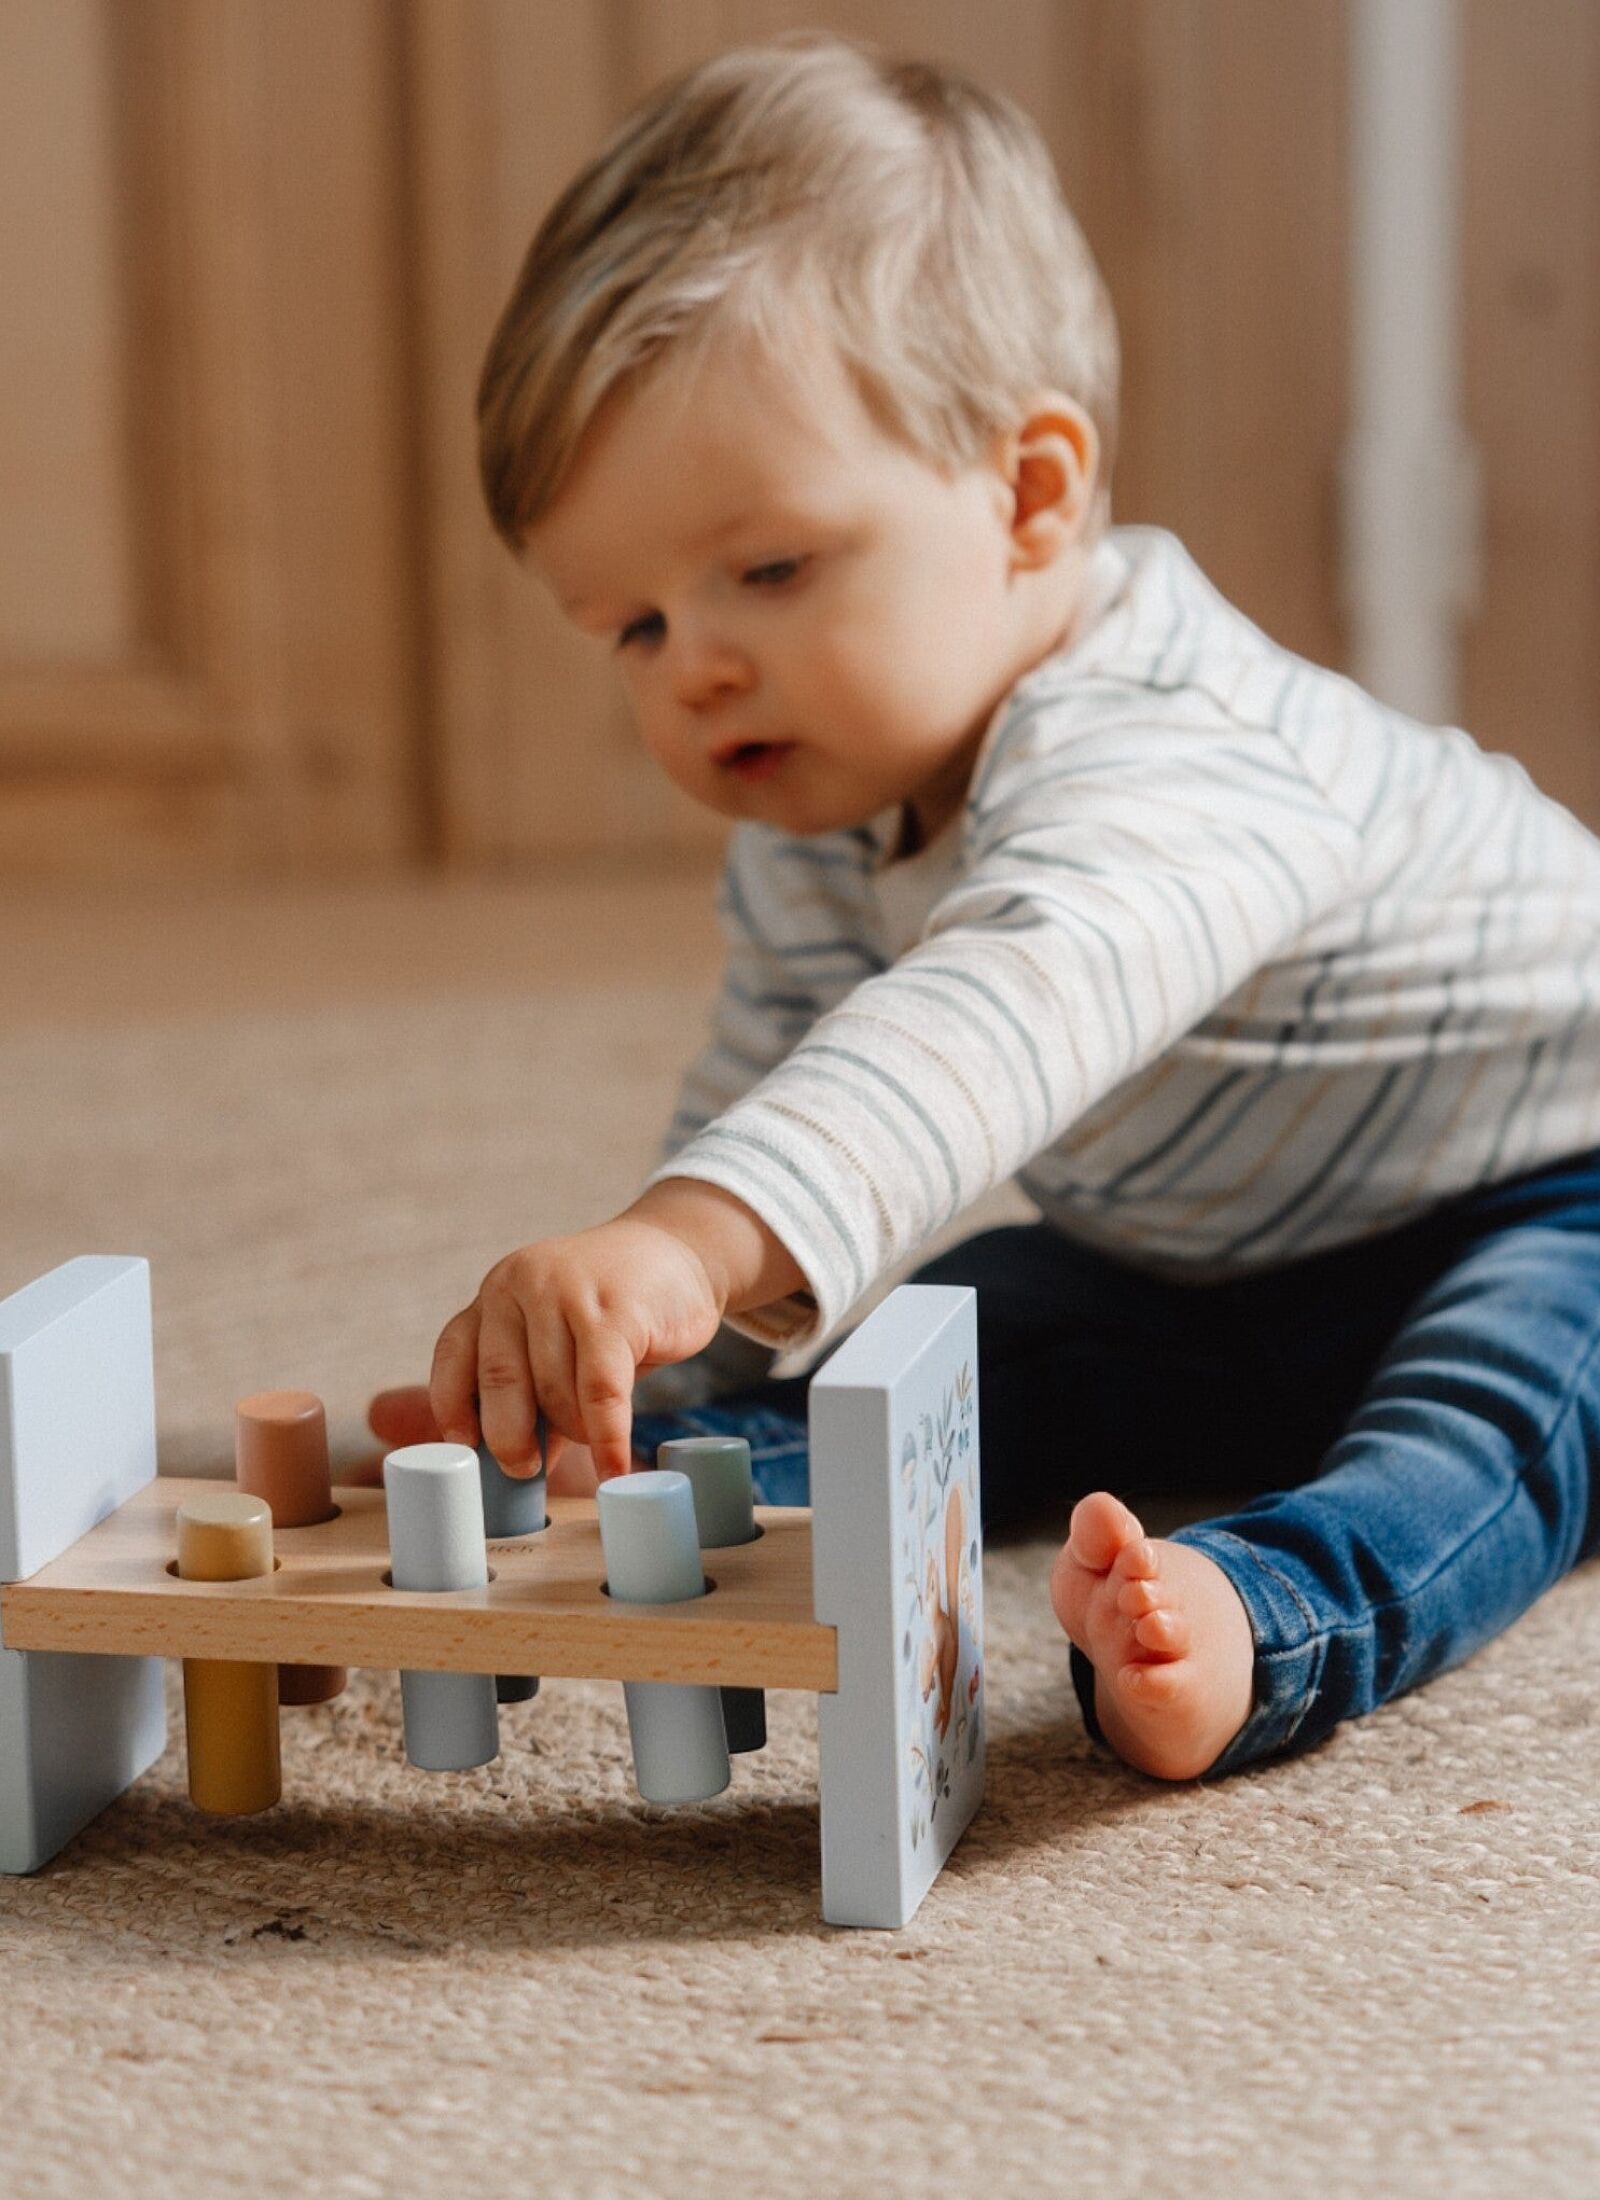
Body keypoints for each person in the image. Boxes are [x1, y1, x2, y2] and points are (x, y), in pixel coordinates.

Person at [369, 34, 1600, 1783]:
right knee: (971, 1325)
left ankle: (1263, 1613)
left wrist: (679, 1239)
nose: (699, 669)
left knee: (1498, 1414)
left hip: (1550, 1192)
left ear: (1028, 496)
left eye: (771, 569)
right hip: (1208, 1256)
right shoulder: (823, 792)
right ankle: (670, 1490)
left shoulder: (1175, 752)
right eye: (632, 628)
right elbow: (775, 1089)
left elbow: (983, 1031)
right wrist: (648, 1358)